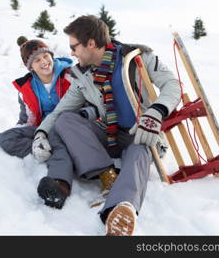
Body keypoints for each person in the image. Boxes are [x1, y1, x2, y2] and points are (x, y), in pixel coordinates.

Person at [32, 15, 181, 236]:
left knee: (139, 150)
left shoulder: (137, 57)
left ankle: (120, 209)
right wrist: (41, 132)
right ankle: (106, 175)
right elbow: (61, 110)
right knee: (66, 120)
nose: (71, 53)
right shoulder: (82, 75)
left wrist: (155, 112)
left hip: (143, 131)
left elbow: (172, 84)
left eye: (74, 47)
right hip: (110, 132)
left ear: (91, 44)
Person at [0, 37, 73, 161]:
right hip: (42, 130)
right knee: (5, 138)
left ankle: (59, 152)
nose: (44, 61)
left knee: (61, 137)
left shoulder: (70, 76)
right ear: (30, 67)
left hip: (67, 127)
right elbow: (26, 119)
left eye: (46, 56)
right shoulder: (27, 88)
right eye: (37, 60)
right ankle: (42, 151)